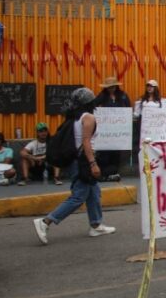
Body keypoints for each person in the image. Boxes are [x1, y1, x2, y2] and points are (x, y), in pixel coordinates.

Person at [32, 87, 116, 245]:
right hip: (83, 161)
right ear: (90, 102)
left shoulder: (75, 117)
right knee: (78, 196)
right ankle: (46, 221)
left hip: (76, 160)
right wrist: (93, 164)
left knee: (94, 192)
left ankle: (96, 225)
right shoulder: (89, 117)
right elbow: (86, 142)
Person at [95, 76, 131, 181]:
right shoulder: (102, 96)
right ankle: (103, 173)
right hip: (105, 130)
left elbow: (128, 108)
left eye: (113, 86)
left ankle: (113, 172)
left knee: (116, 153)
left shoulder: (123, 96)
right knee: (104, 152)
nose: (111, 88)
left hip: (119, 129)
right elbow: (94, 107)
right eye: (109, 87)